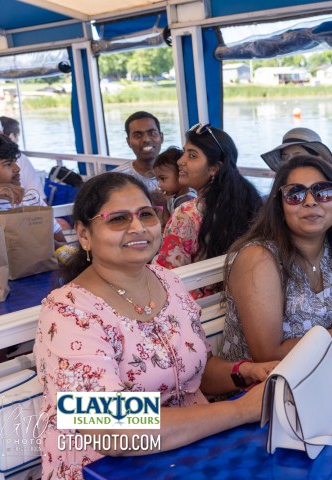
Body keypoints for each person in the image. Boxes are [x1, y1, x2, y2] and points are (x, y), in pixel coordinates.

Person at [34, 172, 278, 480]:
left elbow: (194, 373)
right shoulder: (69, 311)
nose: (137, 227)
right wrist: (242, 410)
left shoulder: (168, 281)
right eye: (118, 219)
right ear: (84, 235)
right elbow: (112, 430)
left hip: (190, 452)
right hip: (105, 469)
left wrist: (243, 373)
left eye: (145, 214)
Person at [220, 155, 332, 362]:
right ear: (280, 208)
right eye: (295, 194)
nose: (310, 202)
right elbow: (268, 355)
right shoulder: (259, 259)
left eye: (323, 192)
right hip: (265, 386)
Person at [156, 124, 261, 284]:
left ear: (214, 168)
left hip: (198, 303)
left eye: (192, 156)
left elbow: (166, 276)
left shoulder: (187, 214)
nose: (180, 161)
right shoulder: (249, 202)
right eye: (184, 152)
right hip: (242, 291)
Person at [0, 132, 65, 242]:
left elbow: (61, 243)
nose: (17, 168)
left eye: (15, 161)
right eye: (8, 164)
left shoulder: (32, 199)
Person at [113, 111, 164, 192]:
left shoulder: (179, 172)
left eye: (152, 133)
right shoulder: (117, 179)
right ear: (128, 142)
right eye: (138, 135)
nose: (146, 140)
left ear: (161, 137)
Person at [0, 115, 46, 196]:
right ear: (12, 136)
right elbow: (40, 198)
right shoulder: (20, 157)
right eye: (8, 164)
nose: (17, 168)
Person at [261, 127, 332, 172]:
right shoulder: (280, 191)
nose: (290, 161)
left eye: (298, 156)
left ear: (318, 158)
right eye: (285, 158)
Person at [153, 146, 195, 226]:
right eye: (157, 179)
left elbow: (174, 228)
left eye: (163, 178)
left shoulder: (185, 202)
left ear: (181, 174)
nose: (159, 184)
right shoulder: (176, 198)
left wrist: (163, 205)